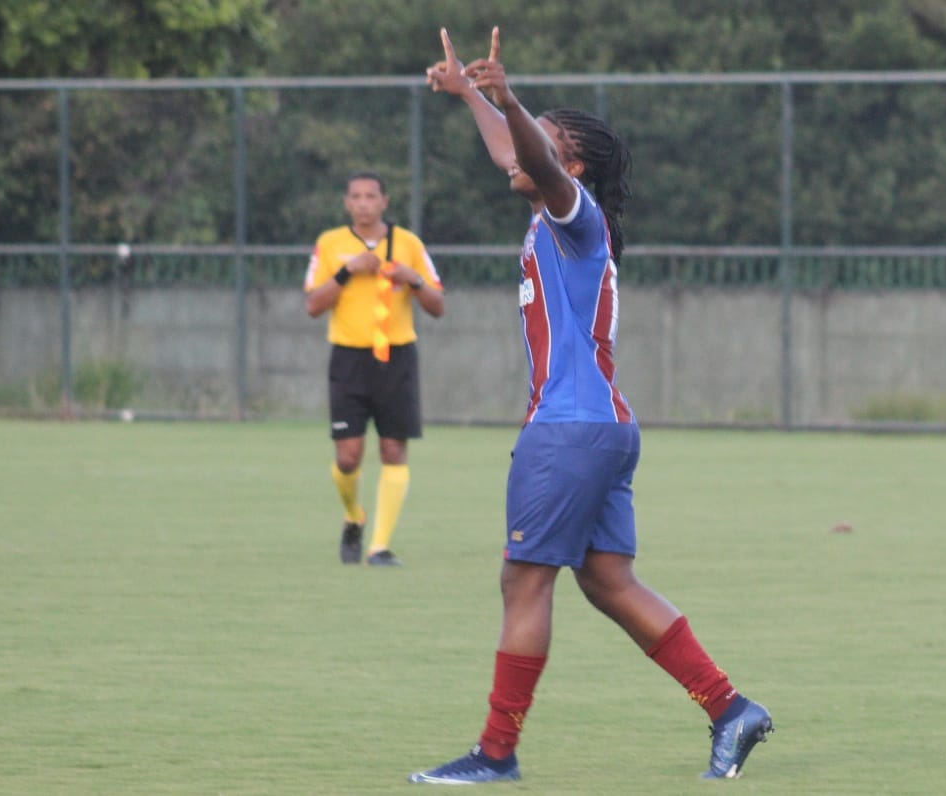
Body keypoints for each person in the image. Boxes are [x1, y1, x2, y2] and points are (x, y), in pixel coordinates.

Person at [409, 28, 772, 784]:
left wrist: (510, 101)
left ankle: (495, 755)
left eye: (536, 140)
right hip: (601, 425)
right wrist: (474, 94)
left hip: (570, 430)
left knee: (525, 581)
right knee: (608, 581)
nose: (518, 149)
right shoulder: (557, 214)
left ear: (569, 166)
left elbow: (532, 160)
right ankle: (730, 710)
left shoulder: (577, 216)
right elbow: (517, 157)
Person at [303, 170, 445, 567]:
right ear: (347, 203)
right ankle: (353, 516)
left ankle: (379, 547)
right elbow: (313, 305)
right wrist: (349, 271)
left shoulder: (408, 244)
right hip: (348, 357)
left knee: (393, 448)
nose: (363, 203)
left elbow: (437, 306)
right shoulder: (330, 244)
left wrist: (412, 279)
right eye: (356, 196)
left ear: (384, 201)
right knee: (348, 457)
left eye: (371, 196)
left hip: (396, 356)